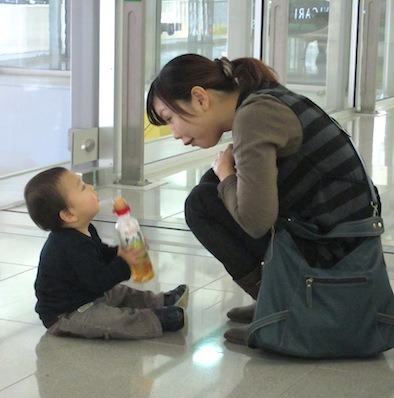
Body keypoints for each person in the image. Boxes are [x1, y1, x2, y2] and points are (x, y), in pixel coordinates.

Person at [146, 53, 380, 342]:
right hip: (341, 240)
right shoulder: (261, 100)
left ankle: (287, 310)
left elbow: (255, 221)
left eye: (170, 119)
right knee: (210, 186)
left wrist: (226, 176)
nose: (174, 134)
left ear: (199, 98)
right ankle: (276, 297)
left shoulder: (253, 116)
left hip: (337, 255)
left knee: (202, 204)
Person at [24, 167, 189, 339]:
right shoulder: (68, 245)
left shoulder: (84, 230)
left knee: (120, 292)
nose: (90, 187)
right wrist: (124, 261)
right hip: (68, 314)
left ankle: (160, 301)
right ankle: (157, 319)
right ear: (68, 214)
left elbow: (99, 254)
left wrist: (120, 251)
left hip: (88, 295)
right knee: (111, 321)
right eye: (82, 187)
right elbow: (98, 281)